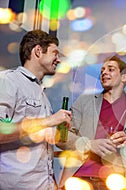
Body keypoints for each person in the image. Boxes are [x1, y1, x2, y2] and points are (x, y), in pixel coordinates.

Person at [57, 56, 126, 190]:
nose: (104, 73)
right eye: (102, 70)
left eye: (111, 69)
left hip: (118, 181)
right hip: (80, 178)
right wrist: (89, 144)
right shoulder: (84, 102)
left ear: (124, 77)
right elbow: (61, 138)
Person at [0, 30, 72, 189]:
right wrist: (49, 121)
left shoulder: (41, 93)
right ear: (38, 51)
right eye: (55, 53)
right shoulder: (8, 81)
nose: (58, 60)